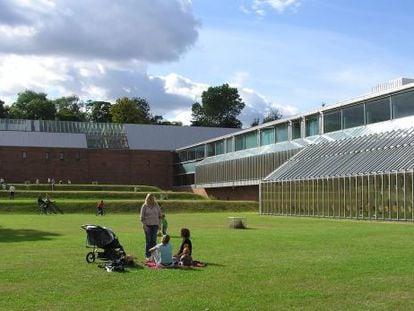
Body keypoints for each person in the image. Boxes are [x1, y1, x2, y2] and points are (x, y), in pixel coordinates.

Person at [140, 193, 162, 259]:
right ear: (148, 198)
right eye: (151, 198)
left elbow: (160, 215)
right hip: (147, 225)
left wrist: (160, 225)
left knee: (154, 240)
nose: (152, 199)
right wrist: (144, 225)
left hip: (155, 225)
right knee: (148, 241)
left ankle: (154, 256)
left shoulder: (156, 205)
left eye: (153, 198)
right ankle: (148, 255)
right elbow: (142, 217)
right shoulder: (144, 206)